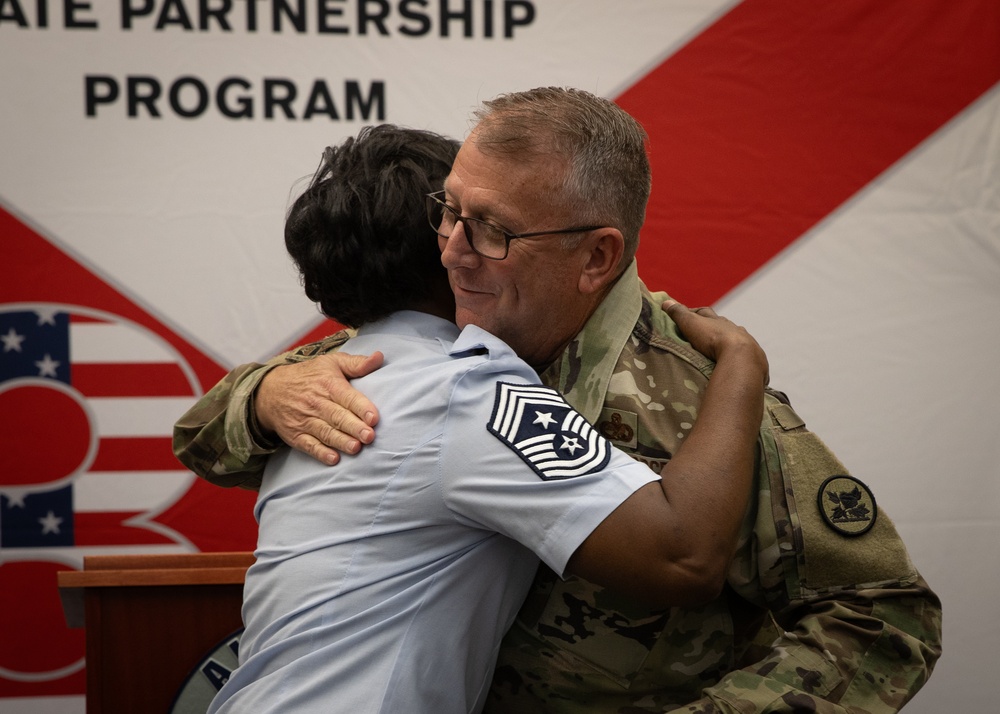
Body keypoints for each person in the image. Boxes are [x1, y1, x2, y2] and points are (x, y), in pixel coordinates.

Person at [175, 89, 942, 713]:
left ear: (596, 256)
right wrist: (262, 394)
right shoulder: (430, 348)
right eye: (448, 210)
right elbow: (200, 437)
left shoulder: (700, 403)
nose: (449, 247)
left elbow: (884, 612)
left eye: (493, 231)